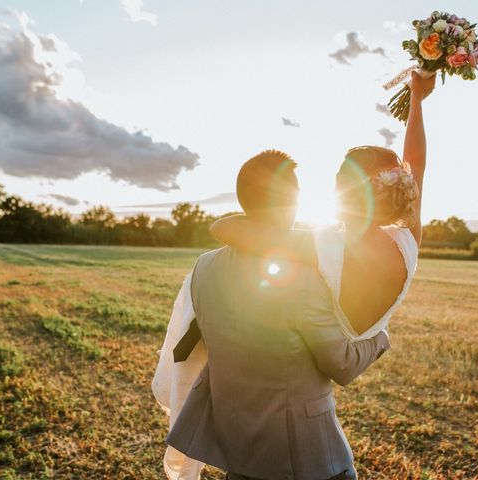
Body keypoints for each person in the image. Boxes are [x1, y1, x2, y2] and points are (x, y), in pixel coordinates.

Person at [153, 150, 390, 480]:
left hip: (239, 458)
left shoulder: (203, 268)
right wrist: (381, 334)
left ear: (244, 199)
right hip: (311, 461)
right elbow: (343, 363)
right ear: (291, 203)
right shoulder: (302, 275)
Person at [210, 71, 435, 340]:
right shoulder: (407, 240)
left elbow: (223, 229)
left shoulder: (328, 247)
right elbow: (416, 162)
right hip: (361, 345)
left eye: (340, 178)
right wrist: (417, 100)